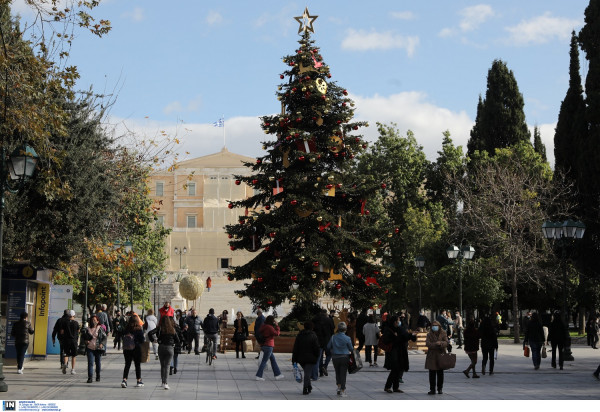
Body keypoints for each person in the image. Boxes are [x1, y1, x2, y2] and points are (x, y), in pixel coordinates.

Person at [382, 314, 416, 393]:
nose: (399, 322)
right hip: (393, 352)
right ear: (394, 322)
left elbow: (406, 336)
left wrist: (412, 335)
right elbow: (387, 340)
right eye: (398, 321)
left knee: (399, 369)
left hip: (400, 352)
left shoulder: (400, 329)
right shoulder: (389, 330)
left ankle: (395, 387)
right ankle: (387, 386)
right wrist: (395, 337)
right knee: (394, 369)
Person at [148, 315, 180, 390]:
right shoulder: (172, 329)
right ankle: (165, 382)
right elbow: (178, 340)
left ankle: (163, 382)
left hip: (161, 347)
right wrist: (173, 342)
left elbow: (150, 333)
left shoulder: (160, 328)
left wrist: (154, 340)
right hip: (170, 348)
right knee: (167, 365)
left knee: (162, 365)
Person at [292, 321, 320, 395]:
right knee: (307, 374)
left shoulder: (300, 335)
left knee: (307, 372)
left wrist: (294, 359)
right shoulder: (313, 335)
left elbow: (295, 347)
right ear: (312, 327)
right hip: (310, 358)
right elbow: (316, 347)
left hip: (301, 358)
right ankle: (305, 388)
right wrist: (317, 356)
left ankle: (309, 386)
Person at [327, 321, 354, 397]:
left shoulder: (333, 337)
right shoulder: (347, 338)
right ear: (345, 329)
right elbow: (351, 348)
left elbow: (328, 347)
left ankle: (338, 386)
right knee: (343, 373)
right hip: (344, 357)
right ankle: (343, 389)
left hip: (335, 357)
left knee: (337, 372)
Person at [255, 315, 284, 381]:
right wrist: (277, 326)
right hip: (269, 345)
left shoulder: (263, 326)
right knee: (264, 361)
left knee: (273, 360)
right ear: (272, 321)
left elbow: (259, 331)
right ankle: (258, 376)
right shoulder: (269, 327)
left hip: (263, 345)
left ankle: (278, 374)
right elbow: (277, 334)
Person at [121, 313, 145, 388]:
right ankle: (139, 380)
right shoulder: (139, 329)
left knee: (127, 365)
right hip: (136, 348)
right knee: (137, 365)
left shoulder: (126, 329)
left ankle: (124, 380)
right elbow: (142, 340)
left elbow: (123, 337)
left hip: (127, 349)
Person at [425, 320, 448, 395]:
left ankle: (440, 388)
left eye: (436, 326)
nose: (434, 327)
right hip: (432, 355)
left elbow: (446, 342)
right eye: (433, 326)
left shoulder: (443, 333)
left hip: (440, 355)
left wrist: (441, 343)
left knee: (440, 373)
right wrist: (436, 344)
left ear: (439, 326)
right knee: (432, 373)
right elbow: (428, 344)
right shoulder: (429, 334)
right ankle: (432, 389)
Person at [312, 308, 334, 379]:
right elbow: (332, 329)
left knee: (320, 357)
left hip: (318, 340)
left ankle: (321, 372)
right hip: (327, 340)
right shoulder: (329, 320)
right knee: (329, 354)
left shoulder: (315, 320)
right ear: (326, 313)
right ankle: (325, 366)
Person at [84, 315, 107, 383]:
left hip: (98, 348)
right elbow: (84, 337)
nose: (93, 321)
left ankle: (98, 375)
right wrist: (86, 341)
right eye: (92, 320)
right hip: (89, 347)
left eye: (95, 320)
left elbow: (105, 337)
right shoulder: (87, 329)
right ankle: (90, 377)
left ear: (97, 321)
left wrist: (101, 344)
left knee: (98, 363)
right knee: (90, 363)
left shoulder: (100, 329)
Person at [62, 310, 80, 375]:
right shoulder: (76, 323)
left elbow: (62, 332)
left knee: (66, 353)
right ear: (74, 315)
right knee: (73, 355)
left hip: (66, 340)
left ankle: (65, 364)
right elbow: (78, 331)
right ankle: (72, 369)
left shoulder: (65, 323)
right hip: (74, 340)